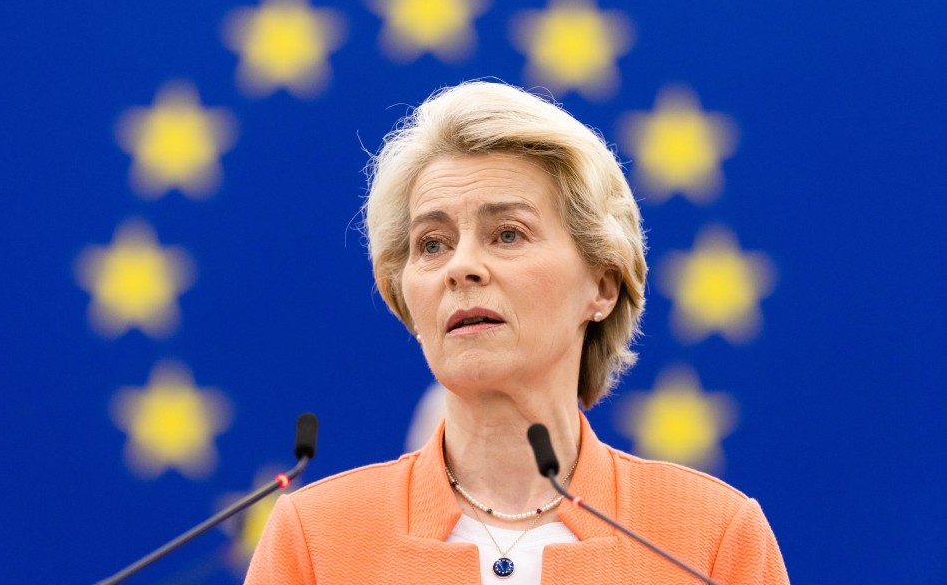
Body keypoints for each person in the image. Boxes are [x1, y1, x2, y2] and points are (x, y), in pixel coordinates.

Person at [245, 82, 789, 584]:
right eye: (431, 244)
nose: (461, 267)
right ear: (402, 294)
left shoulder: (713, 538)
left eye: (507, 234)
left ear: (602, 284)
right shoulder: (315, 540)